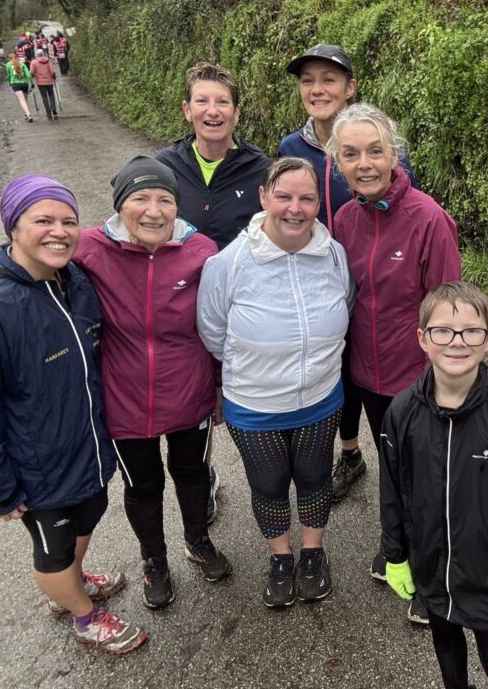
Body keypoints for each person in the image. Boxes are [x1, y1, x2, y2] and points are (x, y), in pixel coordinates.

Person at [0, 175, 147, 655]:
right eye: (43, 220)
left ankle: (72, 583)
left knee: (88, 519)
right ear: (13, 227)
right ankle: (83, 615)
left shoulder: (74, 281)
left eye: (69, 221)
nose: (59, 231)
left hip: (87, 449)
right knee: (53, 551)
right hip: (37, 471)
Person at [73, 156, 232, 610]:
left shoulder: (202, 250)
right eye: (140, 198)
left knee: (192, 472)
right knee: (142, 486)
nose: (153, 210)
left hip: (190, 391)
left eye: (165, 199)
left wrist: (220, 386)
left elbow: (219, 322)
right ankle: (154, 561)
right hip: (123, 399)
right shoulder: (89, 249)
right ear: (120, 206)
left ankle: (198, 541)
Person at [380, 281, 488, 689]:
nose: (457, 342)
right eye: (442, 330)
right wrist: (395, 554)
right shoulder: (402, 412)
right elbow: (392, 491)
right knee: (446, 645)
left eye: (471, 331)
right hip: (431, 564)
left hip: (487, 572)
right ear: (422, 338)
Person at [197, 156, 353, 608]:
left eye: (306, 198)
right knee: (268, 486)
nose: (294, 208)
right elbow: (212, 330)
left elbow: (347, 303)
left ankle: (312, 553)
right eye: (283, 196)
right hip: (255, 406)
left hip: (320, 399)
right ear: (264, 197)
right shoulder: (228, 263)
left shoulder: (333, 254)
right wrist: (256, 367)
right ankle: (280, 559)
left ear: (319, 204)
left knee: (315, 480)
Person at [327, 103, 461, 624]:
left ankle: (435, 583)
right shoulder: (343, 219)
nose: (365, 163)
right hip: (368, 375)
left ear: (394, 154)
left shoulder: (427, 217)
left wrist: (446, 379)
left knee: (428, 478)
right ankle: (397, 549)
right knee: (394, 467)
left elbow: (448, 309)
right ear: (338, 164)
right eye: (351, 154)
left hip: (419, 377)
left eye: (375, 151)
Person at [279, 43, 421, 505]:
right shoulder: (292, 148)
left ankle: (397, 474)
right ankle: (350, 453)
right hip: (319, 282)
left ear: (350, 87)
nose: (318, 89)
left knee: (371, 373)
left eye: (329, 80)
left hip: (375, 280)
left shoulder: (374, 144)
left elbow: (406, 209)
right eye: (308, 81)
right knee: (335, 372)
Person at [155, 61, 272, 523]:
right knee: (194, 407)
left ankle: (269, 488)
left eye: (222, 101)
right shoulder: (163, 168)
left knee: (238, 402)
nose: (212, 110)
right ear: (187, 110)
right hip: (180, 312)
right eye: (202, 101)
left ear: (237, 114)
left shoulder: (259, 169)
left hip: (241, 311)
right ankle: (201, 481)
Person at [5, 52, 34, 122]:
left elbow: (8, 75)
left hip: (15, 84)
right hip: (24, 83)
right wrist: (32, 82)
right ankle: (26, 114)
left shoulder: (8, 65)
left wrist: (9, 82)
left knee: (22, 100)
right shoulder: (22, 64)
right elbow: (28, 74)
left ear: (9, 59)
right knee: (25, 99)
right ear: (16, 57)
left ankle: (28, 114)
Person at [30, 48, 58, 120]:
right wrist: (54, 77)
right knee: (51, 95)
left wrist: (34, 76)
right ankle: (53, 109)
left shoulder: (34, 62)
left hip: (40, 82)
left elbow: (32, 73)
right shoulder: (48, 61)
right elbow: (52, 72)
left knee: (44, 97)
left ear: (36, 55)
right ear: (43, 54)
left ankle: (48, 113)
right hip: (49, 81)